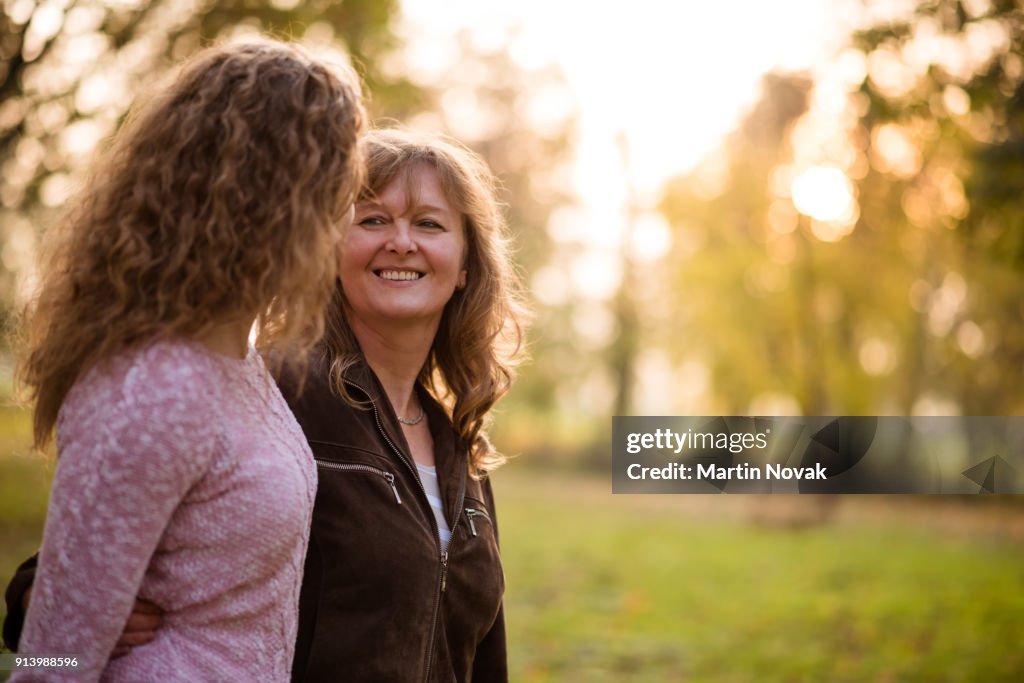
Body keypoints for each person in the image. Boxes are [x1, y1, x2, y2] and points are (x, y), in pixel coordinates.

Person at [4, 128, 525, 682]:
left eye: (429, 223)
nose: (401, 241)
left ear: (466, 264)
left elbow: (485, 658)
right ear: (325, 249)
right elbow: (51, 617)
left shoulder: (458, 442)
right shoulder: (271, 390)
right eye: (371, 219)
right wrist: (38, 623)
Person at [5, 39, 365, 682]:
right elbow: (48, 656)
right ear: (275, 202)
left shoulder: (240, 362)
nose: (343, 223)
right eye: (337, 193)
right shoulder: (155, 387)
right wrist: (62, 645)